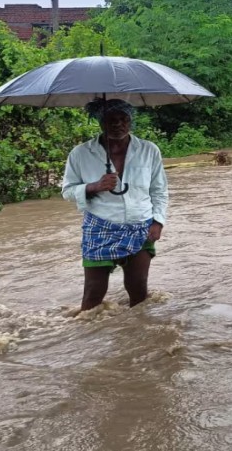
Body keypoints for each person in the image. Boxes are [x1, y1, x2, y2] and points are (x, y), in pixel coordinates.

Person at [61, 99, 168, 311]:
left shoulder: (149, 150)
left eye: (123, 119)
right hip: (100, 226)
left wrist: (158, 221)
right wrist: (93, 186)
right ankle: (86, 339)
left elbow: (159, 190)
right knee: (93, 293)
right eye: (111, 120)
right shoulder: (80, 153)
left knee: (138, 290)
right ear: (101, 123)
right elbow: (67, 191)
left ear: (130, 121)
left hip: (141, 225)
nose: (118, 124)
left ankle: (138, 337)